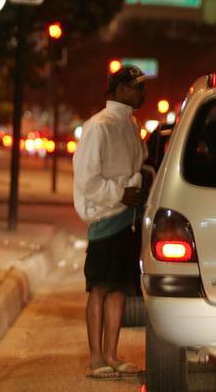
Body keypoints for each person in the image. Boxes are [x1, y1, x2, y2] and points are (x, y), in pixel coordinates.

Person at [72, 65, 149, 380]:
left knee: (118, 289)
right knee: (100, 289)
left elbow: (141, 163)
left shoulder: (131, 125)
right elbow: (87, 179)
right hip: (106, 217)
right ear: (118, 90)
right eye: (135, 87)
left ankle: (112, 355)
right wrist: (121, 193)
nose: (141, 93)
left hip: (126, 219)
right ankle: (95, 358)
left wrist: (134, 190)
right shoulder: (98, 126)